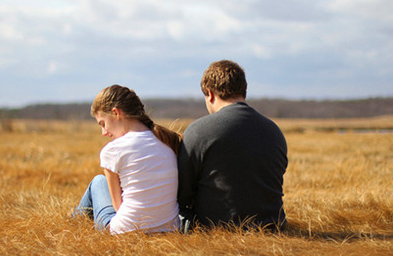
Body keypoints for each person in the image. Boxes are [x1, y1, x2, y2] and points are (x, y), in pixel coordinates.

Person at [178, 60, 288, 231]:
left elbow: (182, 194)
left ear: (210, 94)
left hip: (216, 228)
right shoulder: (274, 131)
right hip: (272, 225)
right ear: (244, 91)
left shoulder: (199, 130)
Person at [73, 84, 182, 235]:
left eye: (103, 124)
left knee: (98, 182)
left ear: (116, 113)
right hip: (170, 229)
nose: (104, 132)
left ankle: (71, 224)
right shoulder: (166, 143)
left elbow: (118, 207)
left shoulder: (112, 150)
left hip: (126, 231)